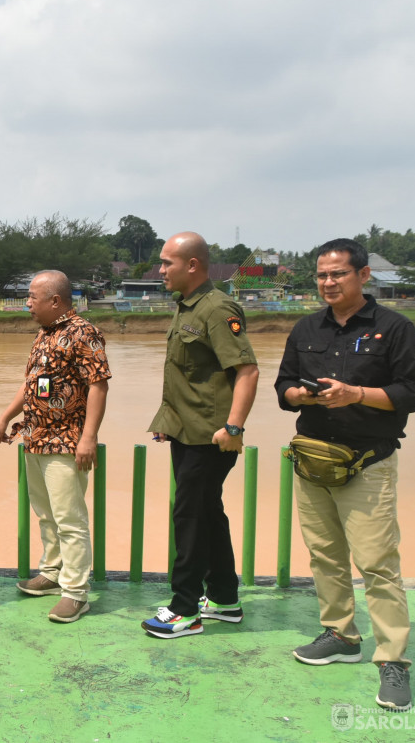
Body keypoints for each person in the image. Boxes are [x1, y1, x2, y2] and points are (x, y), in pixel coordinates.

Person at [275, 238, 415, 712]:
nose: (328, 282)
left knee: (378, 563)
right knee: (324, 555)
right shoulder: (305, 328)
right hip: (314, 457)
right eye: (321, 275)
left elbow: (413, 393)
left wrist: (357, 394)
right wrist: (297, 395)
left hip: (368, 461)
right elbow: (283, 384)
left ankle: (394, 661)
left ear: (363, 275)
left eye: (338, 274)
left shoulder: (394, 328)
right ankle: (341, 634)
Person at [143, 231, 259, 639]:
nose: (161, 270)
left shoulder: (216, 308)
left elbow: (247, 371)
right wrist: (168, 420)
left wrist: (234, 427)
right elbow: (190, 376)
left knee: (189, 517)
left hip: (210, 438)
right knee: (207, 513)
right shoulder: (186, 306)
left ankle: (184, 608)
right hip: (187, 432)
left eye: (167, 263)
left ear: (192, 265)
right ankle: (225, 598)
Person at [0, 270, 110, 623]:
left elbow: (99, 386)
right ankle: (53, 572)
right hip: (36, 437)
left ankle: (76, 592)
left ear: (55, 301)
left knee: (69, 519)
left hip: (67, 440)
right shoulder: (44, 334)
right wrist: (6, 416)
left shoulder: (85, 333)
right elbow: (31, 385)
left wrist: (89, 437)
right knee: (46, 515)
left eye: (32, 297)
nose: (27, 303)